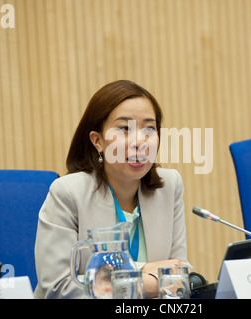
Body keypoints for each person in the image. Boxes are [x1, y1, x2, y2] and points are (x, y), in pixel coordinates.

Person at [34, 80, 190, 299]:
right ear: (97, 141)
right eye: (125, 129)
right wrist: (144, 277)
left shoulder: (169, 185)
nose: (139, 141)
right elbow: (58, 289)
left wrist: (112, 282)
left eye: (149, 128)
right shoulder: (68, 193)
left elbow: (178, 277)